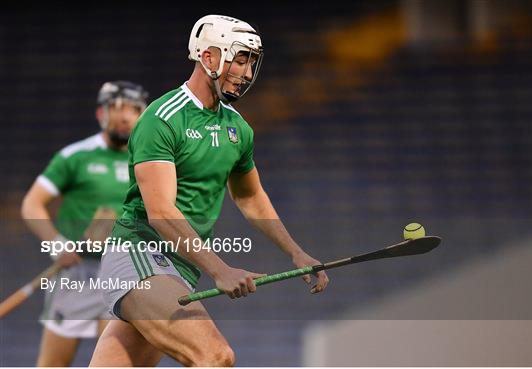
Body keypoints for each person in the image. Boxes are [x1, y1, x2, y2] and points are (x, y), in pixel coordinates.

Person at [90, 15, 329, 367]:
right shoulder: (162, 118)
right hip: (139, 255)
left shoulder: (238, 129)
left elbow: (250, 198)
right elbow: (160, 212)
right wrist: (221, 270)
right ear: (210, 57)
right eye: (241, 58)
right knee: (215, 357)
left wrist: (296, 253)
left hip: (179, 270)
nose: (247, 73)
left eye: (252, 62)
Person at [21, 81, 148, 366]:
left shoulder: (149, 160)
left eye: (132, 110)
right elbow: (32, 204)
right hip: (77, 273)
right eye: (116, 108)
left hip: (122, 273)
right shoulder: (75, 156)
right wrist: (57, 245)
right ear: (100, 113)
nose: (124, 116)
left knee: (112, 363)